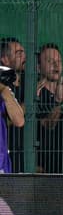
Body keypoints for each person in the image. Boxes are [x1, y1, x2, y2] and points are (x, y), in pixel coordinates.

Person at [35, 43, 63, 173]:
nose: (56, 65)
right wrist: (58, 101)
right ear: (38, 68)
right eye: (50, 61)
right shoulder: (36, 94)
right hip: (43, 166)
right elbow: (48, 125)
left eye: (59, 61)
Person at [0, 37, 25, 172]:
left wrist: (4, 90)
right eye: (18, 53)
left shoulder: (4, 88)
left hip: (3, 165)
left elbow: (19, 121)